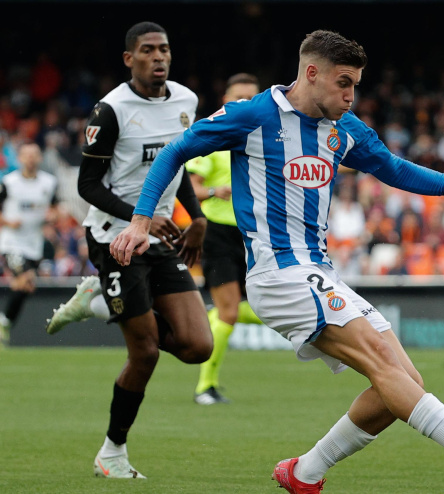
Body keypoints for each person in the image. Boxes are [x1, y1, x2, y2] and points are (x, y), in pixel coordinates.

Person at [110, 29, 444, 493]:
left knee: (402, 381)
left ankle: (305, 472)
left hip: (317, 271)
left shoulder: (343, 128)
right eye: (344, 83)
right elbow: (176, 151)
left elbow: (393, 168)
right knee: (383, 362)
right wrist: (140, 220)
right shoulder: (253, 115)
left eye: (355, 84)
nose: (352, 96)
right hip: (278, 272)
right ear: (311, 73)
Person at [46, 21, 213, 479]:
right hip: (113, 236)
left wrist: (195, 217)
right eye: (147, 50)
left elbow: (177, 165)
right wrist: (140, 215)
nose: (158, 57)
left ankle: (101, 304)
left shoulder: (185, 101)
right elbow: (87, 185)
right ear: (129, 59)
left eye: (164, 49)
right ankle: (112, 454)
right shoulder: (111, 110)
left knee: (198, 346)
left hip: (159, 236)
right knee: (146, 352)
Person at [184, 72, 264, 405]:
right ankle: (205, 387)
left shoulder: (267, 140)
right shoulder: (214, 139)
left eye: (251, 98)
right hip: (218, 233)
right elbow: (190, 187)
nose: (244, 104)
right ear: (225, 102)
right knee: (231, 312)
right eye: (238, 99)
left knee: (260, 307)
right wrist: (216, 190)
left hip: (255, 234)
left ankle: (209, 317)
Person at [0, 142, 58, 346]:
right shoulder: (8, 182)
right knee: (25, 278)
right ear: (20, 158)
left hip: (34, 244)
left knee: (26, 287)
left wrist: (53, 216)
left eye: (34, 155)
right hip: (12, 242)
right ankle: (4, 321)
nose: (31, 159)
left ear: (40, 158)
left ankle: (5, 321)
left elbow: (56, 208)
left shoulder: (49, 183)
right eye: (27, 155)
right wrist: (7, 222)